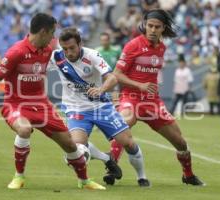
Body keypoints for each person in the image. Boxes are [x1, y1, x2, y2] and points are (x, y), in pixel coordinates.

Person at [0, 13, 105, 190]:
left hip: (42, 105)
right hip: (16, 104)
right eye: (52, 33)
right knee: (24, 129)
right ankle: (19, 177)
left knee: (70, 144)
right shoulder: (16, 52)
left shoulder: (49, 51)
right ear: (43, 32)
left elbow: (70, 67)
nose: (53, 37)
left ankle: (84, 181)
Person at [106, 9, 205, 186]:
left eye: (156, 27)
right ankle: (112, 169)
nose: (152, 30)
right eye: (149, 26)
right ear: (145, 25)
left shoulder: (162, 47)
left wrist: (148, 87)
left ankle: (188, 175)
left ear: (163, 28)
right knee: (121, 127)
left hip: (152, 101)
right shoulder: (133, 45)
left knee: (180, 141)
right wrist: (139, 85)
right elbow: (117, 74)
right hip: (132, 97)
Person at [48, 27, 150, 187]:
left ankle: (142, 177)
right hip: (76, 108)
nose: (68, 52)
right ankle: (107, 159)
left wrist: (101, 89)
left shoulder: (92, 55)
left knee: (128, 143)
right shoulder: (56, 57)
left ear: (80, 44)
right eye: (65, 48)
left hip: (101, 106)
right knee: (77, 147)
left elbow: (112, 78)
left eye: (72, 48)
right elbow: (35, 65)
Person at [96, 32, 121, 105]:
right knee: (100, 100)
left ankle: (117, 111)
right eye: (102, 40)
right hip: (101, 78)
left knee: (115, 99)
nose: (104, 42)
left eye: (106, 40)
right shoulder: (97, 51)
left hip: (114, 77)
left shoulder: (117, 50)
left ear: (109, 40)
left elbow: (121, 63)